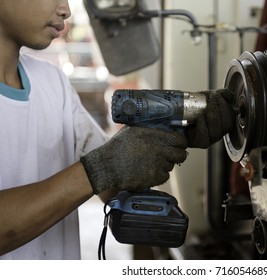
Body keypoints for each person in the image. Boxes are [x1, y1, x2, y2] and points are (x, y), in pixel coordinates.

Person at [0, 0, 234, 259]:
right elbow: (99, 171)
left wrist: (174, 131)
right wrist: (100, 170)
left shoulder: (51, 81)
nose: (65, 9)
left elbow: (112, 185)